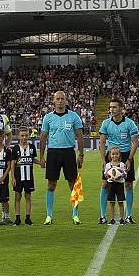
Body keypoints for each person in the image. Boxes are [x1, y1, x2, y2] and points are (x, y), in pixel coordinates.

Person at [36, 91, 86, 225]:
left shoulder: (73, 116)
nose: (59, 101)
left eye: (62, 98)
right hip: (53, 152)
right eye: (57, 99)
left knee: (73, 184)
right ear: (53, 101)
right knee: (51, 184)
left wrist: (81, 154)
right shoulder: (48, 117)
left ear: (66, 100)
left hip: (69, 152)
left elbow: (79, 135)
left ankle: (75, 215)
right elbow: (43, 137)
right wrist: (41, 156)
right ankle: (49, 215)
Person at [97, 98, 139, 224]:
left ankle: (128, 216)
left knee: (128, 184)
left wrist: (129, 159)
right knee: (105, 184)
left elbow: (134, 142)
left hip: (125, 155)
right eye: (110, 107)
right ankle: (103, 216)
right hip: (111, 156)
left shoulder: (130, 123)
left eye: (114, 107)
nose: (111, 109)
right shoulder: (106, 123)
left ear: (121, 108)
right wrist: (104, 160)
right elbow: (103, 142)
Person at [12, 128, 37, 226]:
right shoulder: (15, 148)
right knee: (17, 196)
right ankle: (17, 218)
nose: (24, 137)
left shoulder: (32, 147)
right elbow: (13, 164)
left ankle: (27, 218)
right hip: (18, 177)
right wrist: (13, 177)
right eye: (22, 135)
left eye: (26, 135)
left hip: (29, 177)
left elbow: (32, 159)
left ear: (29, 136)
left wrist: (40, 162)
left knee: (28, 196)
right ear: (18, 136)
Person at [102, 147, 128, 225]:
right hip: (111, 185)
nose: (115, 156)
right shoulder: (108, 165)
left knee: (120, 202)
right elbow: (106, 174)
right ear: (110, 155)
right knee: (112, 202)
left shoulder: (122, 165)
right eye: (113, 154)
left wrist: (122, 174)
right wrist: (107, 175)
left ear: (119, 155)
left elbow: (125, 175)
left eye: (116, 154)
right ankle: (112, 219)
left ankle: (122, 219)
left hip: (119, 184)